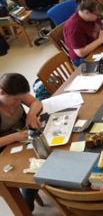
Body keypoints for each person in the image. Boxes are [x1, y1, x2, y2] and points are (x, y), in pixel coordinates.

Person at [0, 73, 42, 211]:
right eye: (16, 100)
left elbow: (36, 102)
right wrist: (14, 137)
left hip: (22, 137)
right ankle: (26, 206)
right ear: (2, 93)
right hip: (4, 147)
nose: (20, 102)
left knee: (42, 155)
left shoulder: (13, 90)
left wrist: (31, 114)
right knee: (29, 169)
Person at [63, 0, 103, 67]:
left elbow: (100, 27)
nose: (98, 17)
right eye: (97, 14)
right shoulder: (73, 28)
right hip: (83, 58)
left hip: (96, 46)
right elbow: (80, 53)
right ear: (87, 12)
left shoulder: (92, 16)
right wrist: (100, 40)